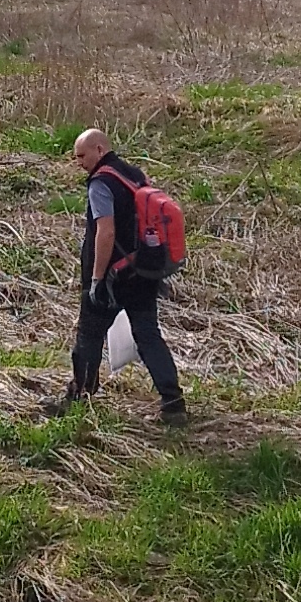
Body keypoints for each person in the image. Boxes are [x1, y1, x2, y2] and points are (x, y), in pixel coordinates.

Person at [62, 127, 187, 419]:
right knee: (149, 337)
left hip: (114, 277)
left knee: (89, 336)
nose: (79, 162)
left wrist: (96, 280)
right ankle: (173, 403)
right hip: (143, 271)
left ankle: (81, 397)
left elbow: (105, 232)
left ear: (99, 150)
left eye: (82, 156)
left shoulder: (101, 183)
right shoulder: (134, 174)